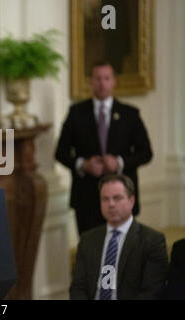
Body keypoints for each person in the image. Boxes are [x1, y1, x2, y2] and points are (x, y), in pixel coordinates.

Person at [55, 61, 153, 235]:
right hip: (86, 200)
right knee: (90, 256)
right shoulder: (76, 113)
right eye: (97, 78)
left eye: (106, 78)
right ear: (91, 82)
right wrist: (83, 165)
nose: (102, 83)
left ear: (113, 81)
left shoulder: (130, 114)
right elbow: (60, 153)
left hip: (122, 197)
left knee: (123, 255)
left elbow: (146, 153)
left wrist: (119, 163)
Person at [70, 174, 168, 300]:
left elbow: (152, 292)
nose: (111, 204)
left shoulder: (152, 241)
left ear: (131, 201)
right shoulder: (88, 239)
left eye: (117, 198)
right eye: (105, 199)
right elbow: (78, 288)